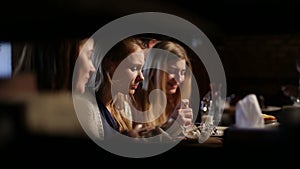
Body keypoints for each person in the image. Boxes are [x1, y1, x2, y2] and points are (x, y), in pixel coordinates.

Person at [133, 40, 194, 137]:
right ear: (153, 71)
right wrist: (172, 124)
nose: (179, 79)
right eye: (172, 71)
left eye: (182, 73)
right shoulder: (136, 100)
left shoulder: (174, 101)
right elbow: (138, 140)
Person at [94, 37, 147, 137]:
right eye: (134, 68)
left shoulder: (124, 107)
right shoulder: (88, 108)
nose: (141, 77)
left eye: (141, 69)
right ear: (109, 65)